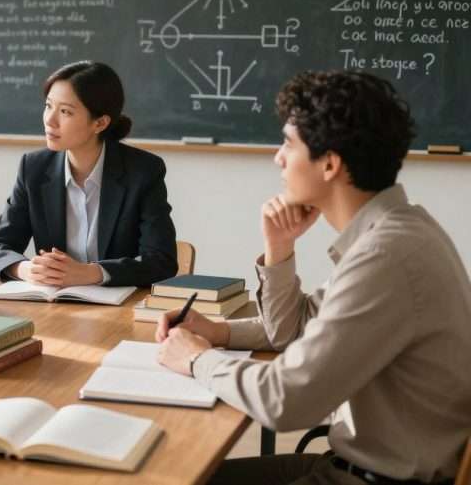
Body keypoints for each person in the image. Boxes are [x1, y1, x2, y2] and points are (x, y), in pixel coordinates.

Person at [156, 71, 471, 485]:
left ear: (330, 163)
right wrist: (225, 324)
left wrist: (196, 358)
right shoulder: (399, 229)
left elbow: (285, 402)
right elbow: (297, 330)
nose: (278, 158)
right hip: (356, 466)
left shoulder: (386, 255)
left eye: (288, 144)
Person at [0, 60, 177, 288]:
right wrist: (27, 270)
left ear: (100, 123)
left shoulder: (143, 171)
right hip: (55, 307)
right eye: (48, 106)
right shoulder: (33, 168)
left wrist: (92, 273)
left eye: (65, 111)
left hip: (121, 310)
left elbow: (161, 261)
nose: (49, 120)